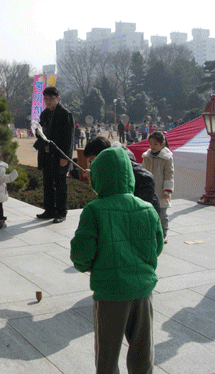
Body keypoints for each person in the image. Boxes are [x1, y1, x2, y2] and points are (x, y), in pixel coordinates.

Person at [70, 146, 164, 374]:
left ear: (99, 176)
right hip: (142, 290)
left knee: (108, 354)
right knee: (142, 351)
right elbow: (157, 246)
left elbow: (81, 253)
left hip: (111, 291)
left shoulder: (94, 210)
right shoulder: (147, 209)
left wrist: (88, 266)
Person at [83, 137, 161, 216]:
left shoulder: (122, 163)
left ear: (102, 154)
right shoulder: (111, 164)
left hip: (146, 215)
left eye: (92, 159)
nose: (91, 163)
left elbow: (147, 178)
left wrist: (138, 207)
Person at [33, 86, 74, 223]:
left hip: (59, 154)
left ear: (58, 99)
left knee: (60, 183)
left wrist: (65, 157)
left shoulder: (65, 114)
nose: (48, 101)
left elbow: (69, 138)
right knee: (48, 183)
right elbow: (41, 132)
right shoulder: (44, 114)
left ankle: (61, 212)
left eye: (51, 99)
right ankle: (49, 209)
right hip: (46, 154)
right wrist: (37, 132)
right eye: (46, 99)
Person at [142, 131, 174, 243]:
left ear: (163, 143)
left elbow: (169, 174)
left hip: (160, 190)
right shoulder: (146, 156)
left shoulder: (167, 157)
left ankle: (164, 232)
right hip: (148, 189)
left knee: (162, 214)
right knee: (149, 212)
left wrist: (167, 190)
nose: (152, 146)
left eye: (155, 144)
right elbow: (142, 172)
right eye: (150, 143)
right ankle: (151, 232)